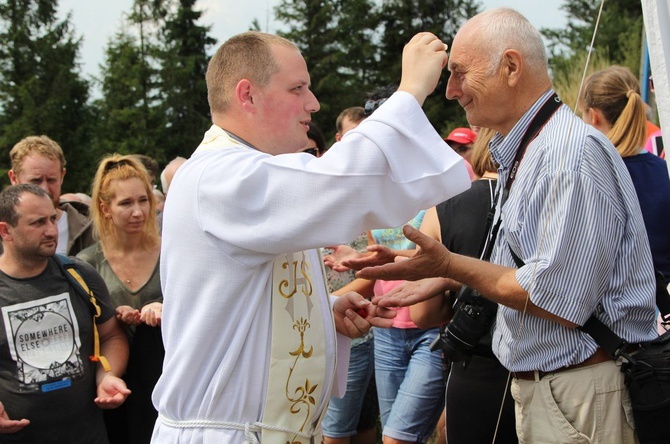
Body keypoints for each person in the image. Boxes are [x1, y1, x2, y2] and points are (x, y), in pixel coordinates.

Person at [150, 30, 470, 444]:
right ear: (247, 95)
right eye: (298, 88)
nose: (313, 104)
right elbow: (334, 186)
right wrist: (409, 92)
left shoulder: (244, 170)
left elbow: (237, 295)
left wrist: (324, 310)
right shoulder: (218, 175)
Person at [357, 8, 658, 444]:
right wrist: (437, 275)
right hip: (560, 390)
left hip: (579, 391)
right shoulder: (532, 149)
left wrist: (449, 267)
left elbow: (554, 298)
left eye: (460, 73)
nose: (451, 91)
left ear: (511, 67)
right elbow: (519, 266)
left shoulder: (568, 154)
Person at [0, 183, 130, 443]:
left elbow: (111, 335)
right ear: (5, 231)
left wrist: (108, 376)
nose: (51, 231)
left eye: (52, 219)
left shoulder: (79, 275)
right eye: (37, 223)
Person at [77, 154, 164, 444]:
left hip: (164, 381)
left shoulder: (171, 253)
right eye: (126, 203)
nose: (138, 211)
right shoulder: (86, 263)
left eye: (143, 200)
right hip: (112, 385)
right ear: (106, 208)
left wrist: (166, 308)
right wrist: (111, 317)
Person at [579, 65, 670, 283]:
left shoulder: (589, 174)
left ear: (594, 116)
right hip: (660, 306)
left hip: (609, 310)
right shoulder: (663, 171)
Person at [7, 135, 94, 255]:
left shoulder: (90, 232)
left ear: (62, 176)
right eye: (36, 181)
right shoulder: (5, 229)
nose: (44, 189)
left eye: (51, 180)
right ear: (14, 178)